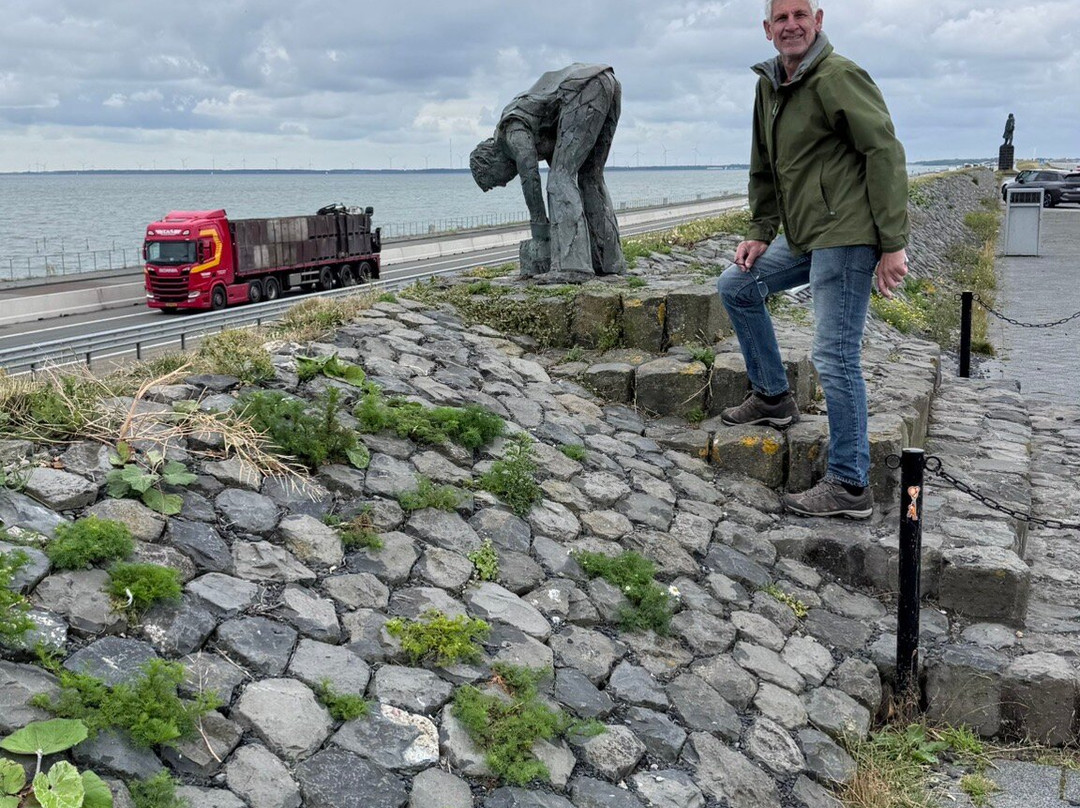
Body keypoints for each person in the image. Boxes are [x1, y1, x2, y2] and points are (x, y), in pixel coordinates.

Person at [716, 0, 909, 519]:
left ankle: (850, 483)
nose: (792, 25)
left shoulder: (838, 75)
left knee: (834, 355)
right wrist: (760, 231)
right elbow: (765, 164)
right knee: (736, 284)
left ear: (818, 20)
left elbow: (884, 152)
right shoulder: (769, 85)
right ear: (767, 30)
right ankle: (774, 397)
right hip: (805, 234)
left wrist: (892, 242)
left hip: (846, 234)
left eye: (801, 14)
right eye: (781, 18)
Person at [470, 63, 626, 278]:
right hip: (607, 81)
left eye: (495, 181)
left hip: (582, 88)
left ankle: (572, 267)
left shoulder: (511, 131)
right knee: (589, 178)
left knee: (560, 179)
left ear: (491, 163)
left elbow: (530, 176)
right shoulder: (538, 129)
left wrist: (539, 227)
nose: (504, 183)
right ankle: (609, 262)